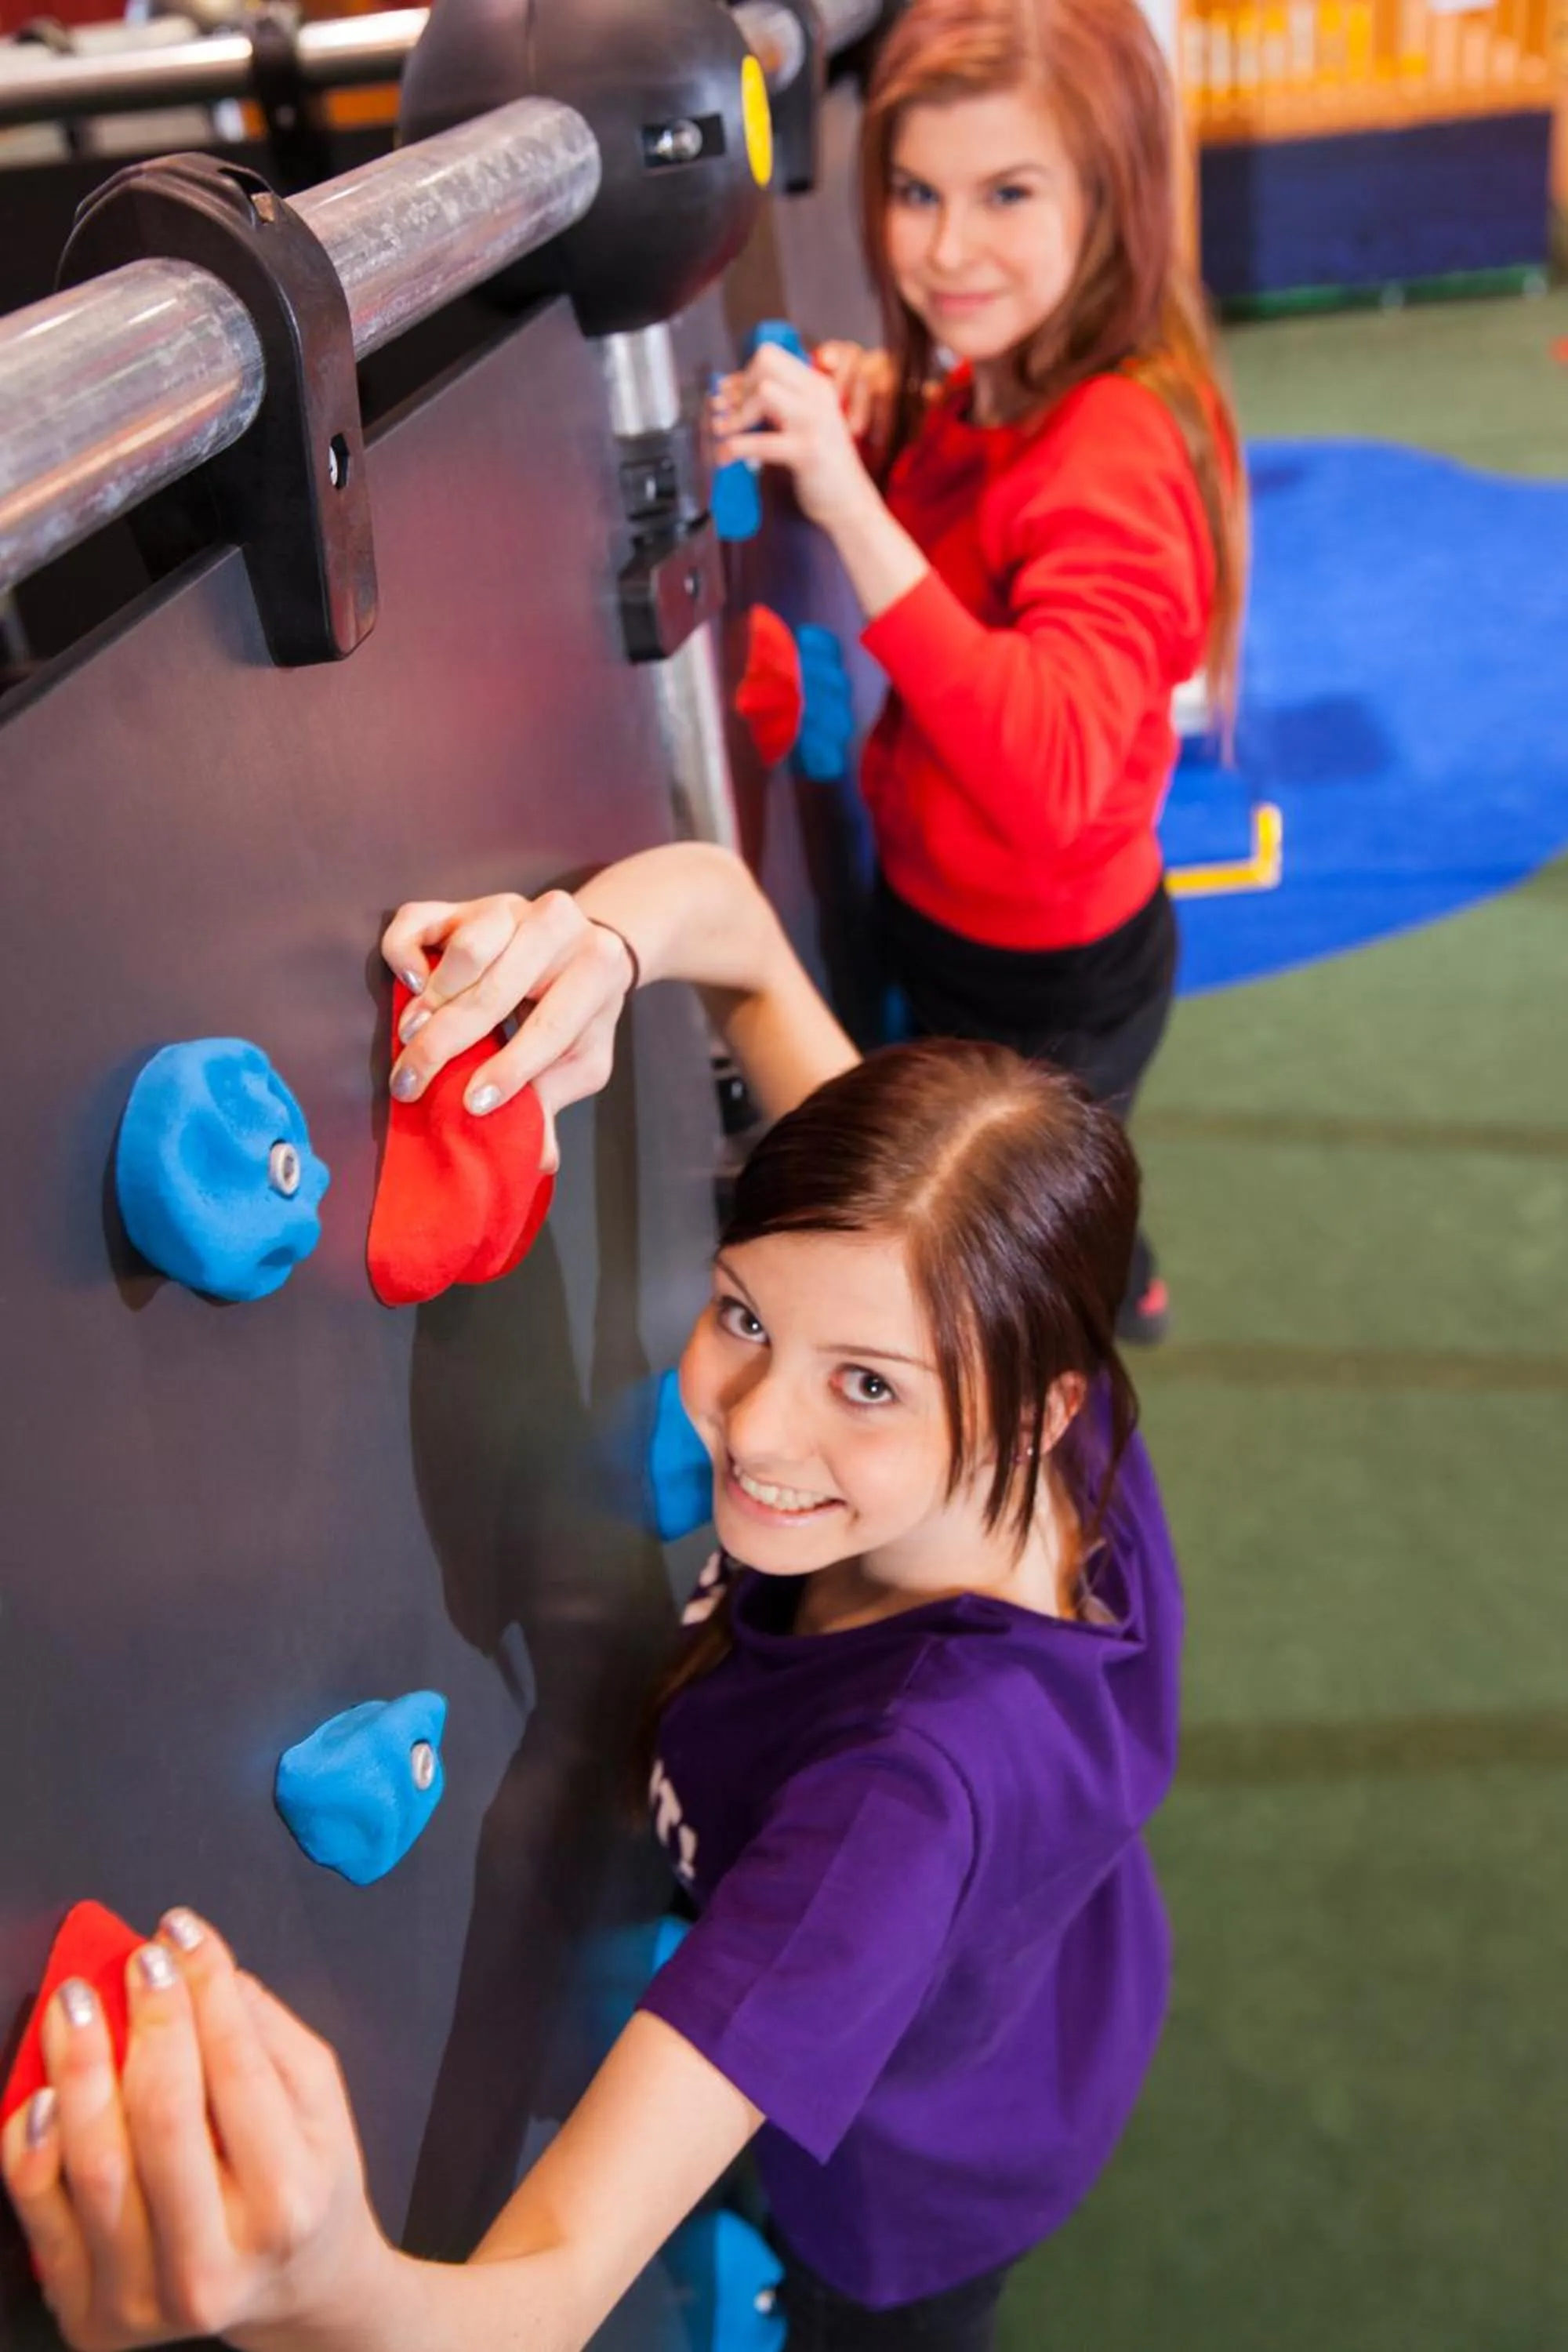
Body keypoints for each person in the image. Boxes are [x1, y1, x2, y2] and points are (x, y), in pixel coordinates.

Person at [3, 844, 1181, 2352]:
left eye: (865, 1388)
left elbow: (543, 2299)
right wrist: (596, 954)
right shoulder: (1004, 1354)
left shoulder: (898, 1811)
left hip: (926, 2173)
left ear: (1030, 1409)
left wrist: (320, 2284)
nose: (755, 1426)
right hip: (1049, 1964)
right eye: (744, 1313)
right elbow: (739, 929)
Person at [712, 0, 1247, 1345]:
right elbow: (979, 505)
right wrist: (883, 412)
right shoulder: (999, 380)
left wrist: (847, 501)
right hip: (964, 925)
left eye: (1007, 194)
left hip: (1051, 976)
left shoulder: (1112, 444)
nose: (949, 248)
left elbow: (1057, 771)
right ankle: (1117, 1261)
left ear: (1110, 197)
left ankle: (1107, 1295)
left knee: (1003, 1255)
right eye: (915, 192)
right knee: (1043, 1176)